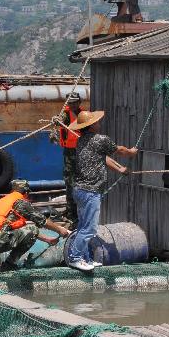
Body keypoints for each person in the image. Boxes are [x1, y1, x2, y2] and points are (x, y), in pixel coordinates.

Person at [66, 110, 138, 272]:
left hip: (79, 190)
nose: (99, 124)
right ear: (91, 126)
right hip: (90, 191)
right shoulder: (100, 140)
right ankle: (75, 258)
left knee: (83, 226)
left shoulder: (82, 141)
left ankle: (84, 258)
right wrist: (131, 153)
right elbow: (120, 150)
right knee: (90, 228)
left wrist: (120, 169)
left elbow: (103, 158)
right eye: (97, 122)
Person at [0, 179, 71, 272]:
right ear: (26, 192)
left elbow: (17, 229)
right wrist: (59, 230)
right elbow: (42, 221)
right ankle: (9, 264)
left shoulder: (2, 201)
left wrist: (47, 240)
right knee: (31, 229)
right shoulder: (20, 202)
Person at [54, 92, 84, 224]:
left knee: (83, 182)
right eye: (70, 102)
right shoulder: (65, 115)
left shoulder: (83, 114)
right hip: (71, 153)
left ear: (79, 102)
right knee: (71, 183)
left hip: (83, 152)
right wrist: (56, 120)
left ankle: (79, 212)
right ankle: (72, 214)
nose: (72, 105)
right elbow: (60, 120)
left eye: (75, 102)